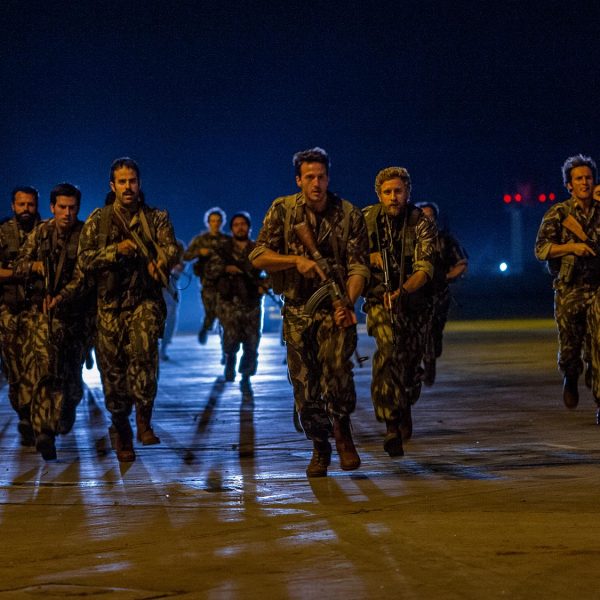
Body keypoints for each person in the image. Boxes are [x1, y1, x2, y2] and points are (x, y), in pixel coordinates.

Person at [250, 147, 369, 477]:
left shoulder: (349, 214)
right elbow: (258, 256)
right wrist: (295, 261)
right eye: (310, 177)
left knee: (338, 371)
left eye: (321, 177)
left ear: (328, 178)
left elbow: (359, 266)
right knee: (305, 386)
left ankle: (342, 432)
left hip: (335, 309)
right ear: (298, 180)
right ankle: (320, 445)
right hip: (298, 310)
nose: (316, 183)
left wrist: (348, 303)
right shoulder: (283, 210)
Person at [77, 157, 178, 462]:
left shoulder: (155, 218)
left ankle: (144, 420)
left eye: (132, 181)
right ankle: (121, 428)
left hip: (143, 301)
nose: (128, 187)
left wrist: (160, 260)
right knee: (113, 374)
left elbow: (171, 247)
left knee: (145, 358)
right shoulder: (99, 220)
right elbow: (84, 260)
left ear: (139, 183)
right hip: (109, 307)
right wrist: (115, 251)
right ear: (113, 186)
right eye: (122, 182)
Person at [14, 183, 95, 460]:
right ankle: (44, 431)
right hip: (45, 317)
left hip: (76, 318)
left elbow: (84, 277)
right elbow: (20, 264)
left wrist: (61, 297)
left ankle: (65, 411)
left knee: (71, 380)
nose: (67, 213)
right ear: (52, 207)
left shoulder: (85, 235)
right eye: (62, 207)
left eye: (72, 208)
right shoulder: (41, 233)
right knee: (46, 371)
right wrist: (35, 267)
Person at [362, 167, 437, 457]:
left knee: (410, 366)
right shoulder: (365, 220)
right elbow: (346, 257)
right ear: (378, 194)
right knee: (389, 350)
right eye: (387, 192)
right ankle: (391, 423)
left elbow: (425, 269)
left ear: (407, 193)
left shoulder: (420, 223)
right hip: (380, 301)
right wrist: (367, 256)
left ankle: (404, 403)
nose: (393, 197)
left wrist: (403, 291)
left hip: (414, 303)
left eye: (398, 191)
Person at [535, 155, 600, 419]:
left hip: (597, 288)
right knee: (571, 347)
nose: (584, 183)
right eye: (579, 179)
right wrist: (572, 247)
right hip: (569, 290)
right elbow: (541, 249)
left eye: (588, 178)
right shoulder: (559, 214)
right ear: (569, 185)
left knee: (599, 345)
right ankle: (570, 376)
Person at [207, 212, 267, 393]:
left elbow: (273, 270)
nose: (240, 227)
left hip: (251, 301)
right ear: (231, 228)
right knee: (231, 339)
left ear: (249, 227)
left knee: (252, 341)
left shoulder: (257, 249)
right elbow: (210, 271)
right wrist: (226, 268)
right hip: (229, 302)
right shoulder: (223, 249)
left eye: (243, 224)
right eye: (236, 225)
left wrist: (265, 285)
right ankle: (230, 360)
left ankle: (246, 374)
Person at [0, 186, 41, 445]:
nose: (26, 209)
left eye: (30, 204)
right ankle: (24, 414)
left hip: (38, 310)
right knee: (14, 370)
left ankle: (36, 418)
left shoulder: (45, 232)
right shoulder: (3, 233)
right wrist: (26, 270)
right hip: (9, 311)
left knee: (37, 367)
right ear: (13, 206)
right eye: (21, 204)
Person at [415, 201, 468, 385]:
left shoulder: (446, 240)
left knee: (433, 331)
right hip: (413, 295)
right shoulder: (407, 240)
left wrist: (446, 278)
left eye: (430, 217)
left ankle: (429, 365)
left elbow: (461, 263)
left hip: (439, 295)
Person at [184, 207, 230, 344]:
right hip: (208, 283)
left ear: (222, 222)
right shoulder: (200, 240)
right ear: (208, 222)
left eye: (218, 221)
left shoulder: (227, 240)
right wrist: (199, 252)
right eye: (213, 221)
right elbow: (186, 256)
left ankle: (226, 347)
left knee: (225, 315)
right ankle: (206, 327)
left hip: (225, 283)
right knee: (211, 312)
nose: (215, 223)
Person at [160, 239, 186, 361]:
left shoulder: (178, 245)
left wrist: (178, 267)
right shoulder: (152, 240)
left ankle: (163, 347)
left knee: (170, 318)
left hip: (170, 285)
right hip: (152, 284)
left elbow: (182, 263)